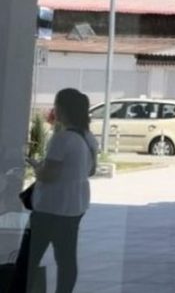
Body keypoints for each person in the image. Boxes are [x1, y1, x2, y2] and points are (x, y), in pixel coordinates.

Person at [12, 88, 98, 293]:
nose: (53, 109)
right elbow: (91, 170)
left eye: (56, 105)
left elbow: (48, 175)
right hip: (74, 208)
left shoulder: (62, 139)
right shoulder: (88, 137)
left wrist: (36, 166)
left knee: (28, 260)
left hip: (50, 209)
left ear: (63, 109)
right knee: (66, 260)